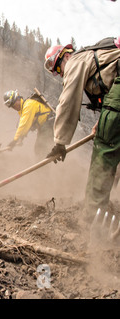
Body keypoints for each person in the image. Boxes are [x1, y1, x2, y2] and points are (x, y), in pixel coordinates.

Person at [43, 39, 120, 219]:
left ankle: (92, 219)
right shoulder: (99, 58)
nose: (62, 74)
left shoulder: (75, 61)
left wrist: (60, 143)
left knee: (104, 150)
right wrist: (101, 123)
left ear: (66, 56)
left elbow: (68, 101)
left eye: (59, 69)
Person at [3, 89, 55, 158]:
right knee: (39, 148)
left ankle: (45, 167)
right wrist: (21, 139)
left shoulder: (28, 105)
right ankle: (46, 165)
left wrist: (14, 141)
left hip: (50, 124)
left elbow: (23, 125)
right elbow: (27, 125)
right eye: (12, 106)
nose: (14, 107)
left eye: (14, 104)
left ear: (18, 99)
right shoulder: (24, 109)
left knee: (41, 148)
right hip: (45, 126)